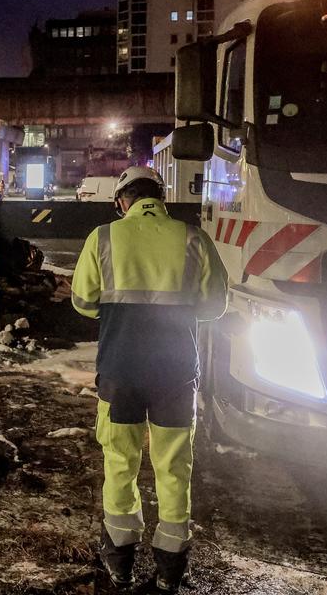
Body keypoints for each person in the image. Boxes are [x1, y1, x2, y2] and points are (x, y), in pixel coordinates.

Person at [71, 166, 227, 592]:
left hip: (120, 369)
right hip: (175, 373)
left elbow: (83, 301)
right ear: (160, 197)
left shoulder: (103, 237)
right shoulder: (193, 238)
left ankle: (120, 562)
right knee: (174, 466)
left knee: (120, 462)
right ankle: (170, 569)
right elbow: (214, 306)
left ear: (122, 200)